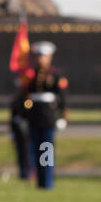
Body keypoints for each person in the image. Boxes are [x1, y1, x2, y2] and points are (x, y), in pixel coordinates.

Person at [13, 42, 69, 189]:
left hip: (48, 118)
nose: (40, 59)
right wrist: (21, 115)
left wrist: (62, 117)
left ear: (49, 58)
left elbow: (62, 98)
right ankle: (39, 180)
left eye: (43, 56)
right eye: (38, 56)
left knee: (47, 150)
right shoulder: (30, 75)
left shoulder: (55, 75)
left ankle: (47, 181)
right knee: (35, 150)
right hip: (33, 117)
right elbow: (24, 97)